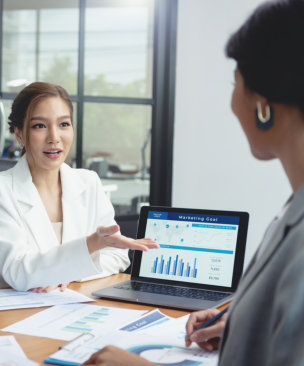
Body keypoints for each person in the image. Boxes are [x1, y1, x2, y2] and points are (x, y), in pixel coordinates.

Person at [82, 0, 304, 365]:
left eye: (236, 84)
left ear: (264, 106)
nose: (233, 103)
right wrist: (239, 323)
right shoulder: (291, 209)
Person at [0, 82, 158, 292]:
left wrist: (66, 274)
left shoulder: (88, 182)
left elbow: (116, 255)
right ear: (19, 134)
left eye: (63, 124)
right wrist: (90, 246)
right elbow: (18, 272)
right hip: (2, 313)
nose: (54, 138)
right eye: (39, 126)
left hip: (67, 306)